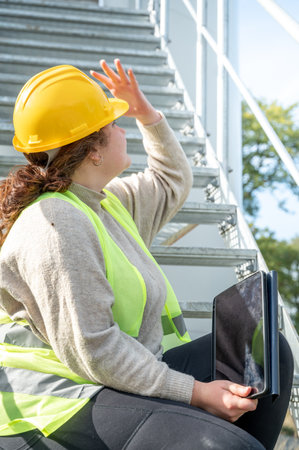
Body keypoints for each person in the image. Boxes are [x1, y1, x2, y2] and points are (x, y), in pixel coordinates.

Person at [0, 59, 293, 450]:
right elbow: (96, 351)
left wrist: (145, 113)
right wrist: (198, 393)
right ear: (94, 152)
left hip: (116, 373)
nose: (124, 129)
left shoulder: (104, 204)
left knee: (266, 353)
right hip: (62, 397)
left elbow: (171, 180)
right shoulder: (55, 223)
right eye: (115, 124)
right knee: (224, 445)